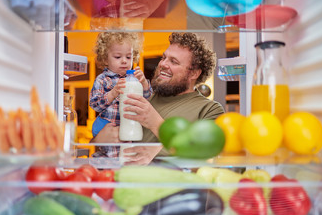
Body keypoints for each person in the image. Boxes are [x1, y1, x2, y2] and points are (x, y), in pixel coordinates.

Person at [93, 32, 225, 164]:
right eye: (164, 57)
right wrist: (98, 140)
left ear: (194, 73)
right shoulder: (142, 95)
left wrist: (154, 121)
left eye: (173, 61)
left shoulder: (210, 109)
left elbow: (207, 160)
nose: (163, 64)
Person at [89, 32, 152, 139]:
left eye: (128, 57)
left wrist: (144, 84)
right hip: (107, 125)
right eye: (118, 57)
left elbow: (149, 102)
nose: (124, 61)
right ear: (105, 59)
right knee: (111, 153)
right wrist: (113, 93)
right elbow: (95, 105)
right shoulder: (103, 79)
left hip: (129, 126)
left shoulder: (135, 80)